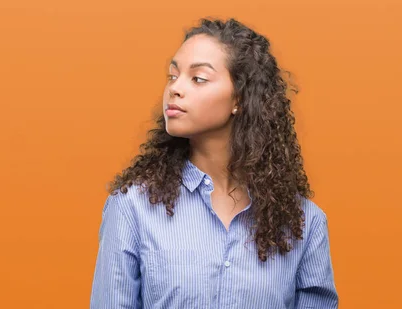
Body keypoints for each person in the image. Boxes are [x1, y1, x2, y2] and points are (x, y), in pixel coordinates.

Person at [89, 17, 338, 309]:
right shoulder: (132, 208)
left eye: (198, 78)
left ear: (240, 99)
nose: (175, 89)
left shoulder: (303, 224)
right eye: (173, 76)